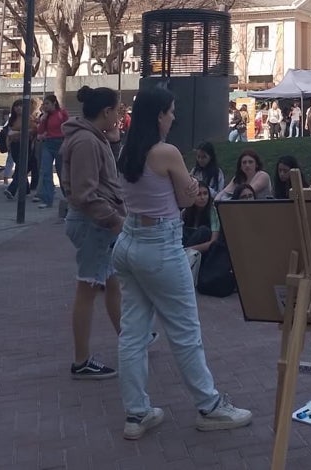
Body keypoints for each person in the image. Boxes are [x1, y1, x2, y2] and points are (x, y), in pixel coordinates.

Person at [113, 86, 252, 440]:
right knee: (185, 331)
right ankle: (209, 406)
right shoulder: (165, 152)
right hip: (160, 245)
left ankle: (136, 412)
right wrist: (190, 186)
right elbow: (188, 195)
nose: (174, 117)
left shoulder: (127, 150)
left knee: (133, 333)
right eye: (171, 111)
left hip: (128, 242)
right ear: (159, 114)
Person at [59, 86, 125, 379]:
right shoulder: (86, 141)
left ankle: (130, 335)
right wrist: (113, 220)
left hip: (95, 223)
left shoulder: (91, 137)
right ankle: (81, 360)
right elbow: (85, 193)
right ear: (106, 112)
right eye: (118, 109)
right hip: (93, 224)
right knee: (87, 287)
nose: (121, 114)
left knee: (110, 282)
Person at [3, 99, 38, 200]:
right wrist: (8, 144)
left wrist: (18, 133)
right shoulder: (12, 119)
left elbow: (34, 130)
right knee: (20, 166)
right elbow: (8, 133)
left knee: (20, 167)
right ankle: (25, 189)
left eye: (20, 106)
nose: (18, 108)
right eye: (16, 106)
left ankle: (11, 189)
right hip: (14, 145)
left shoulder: (29, 118)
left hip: (24, 144)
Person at [182, 181, 220, 254]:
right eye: (198, 194)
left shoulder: (214, 212)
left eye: (205, 194)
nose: (203, 198)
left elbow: (213, 242)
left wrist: (187, 250)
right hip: (186, 249)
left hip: (203, 251)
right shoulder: (185, 212)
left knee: (203, 231)